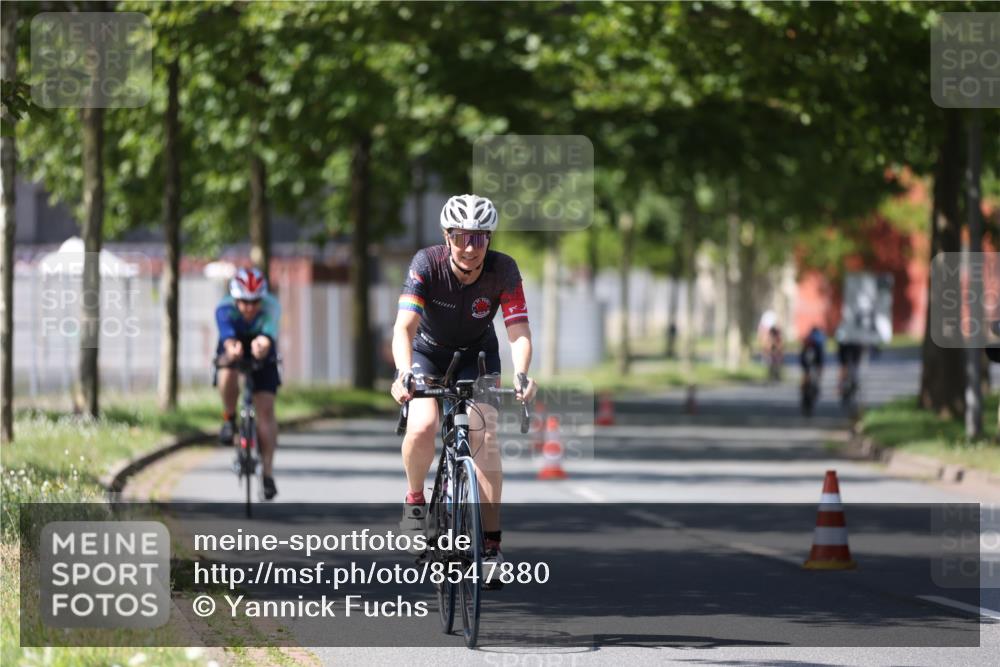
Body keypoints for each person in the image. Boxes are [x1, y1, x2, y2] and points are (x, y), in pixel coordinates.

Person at [389, 194, 538, 571]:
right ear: (446, 236)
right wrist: (403, 371)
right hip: (428, 353)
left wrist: (522, 373)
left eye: (479, 238)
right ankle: (415, 502)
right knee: (423, 425)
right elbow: (404, 328)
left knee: (485, 440)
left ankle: (490, 546)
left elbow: (518, 330)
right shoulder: (427, 263)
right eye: (460, 237)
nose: (470, 248)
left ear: (489, 238)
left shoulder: (503, 270)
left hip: (478, 356)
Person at [215, 267, 282, 500]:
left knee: (265, 410)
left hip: (262, 344)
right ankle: (229, 418)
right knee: (227, 368)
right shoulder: (224, 309)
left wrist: (262, 345)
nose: (250, 308)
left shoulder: (271, 307)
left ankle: (268, 474)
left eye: (255, 302)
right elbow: (228, 339)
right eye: (244, 302)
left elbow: (267, 335)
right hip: (234, 343)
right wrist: (233, 349)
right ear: (235, 298)